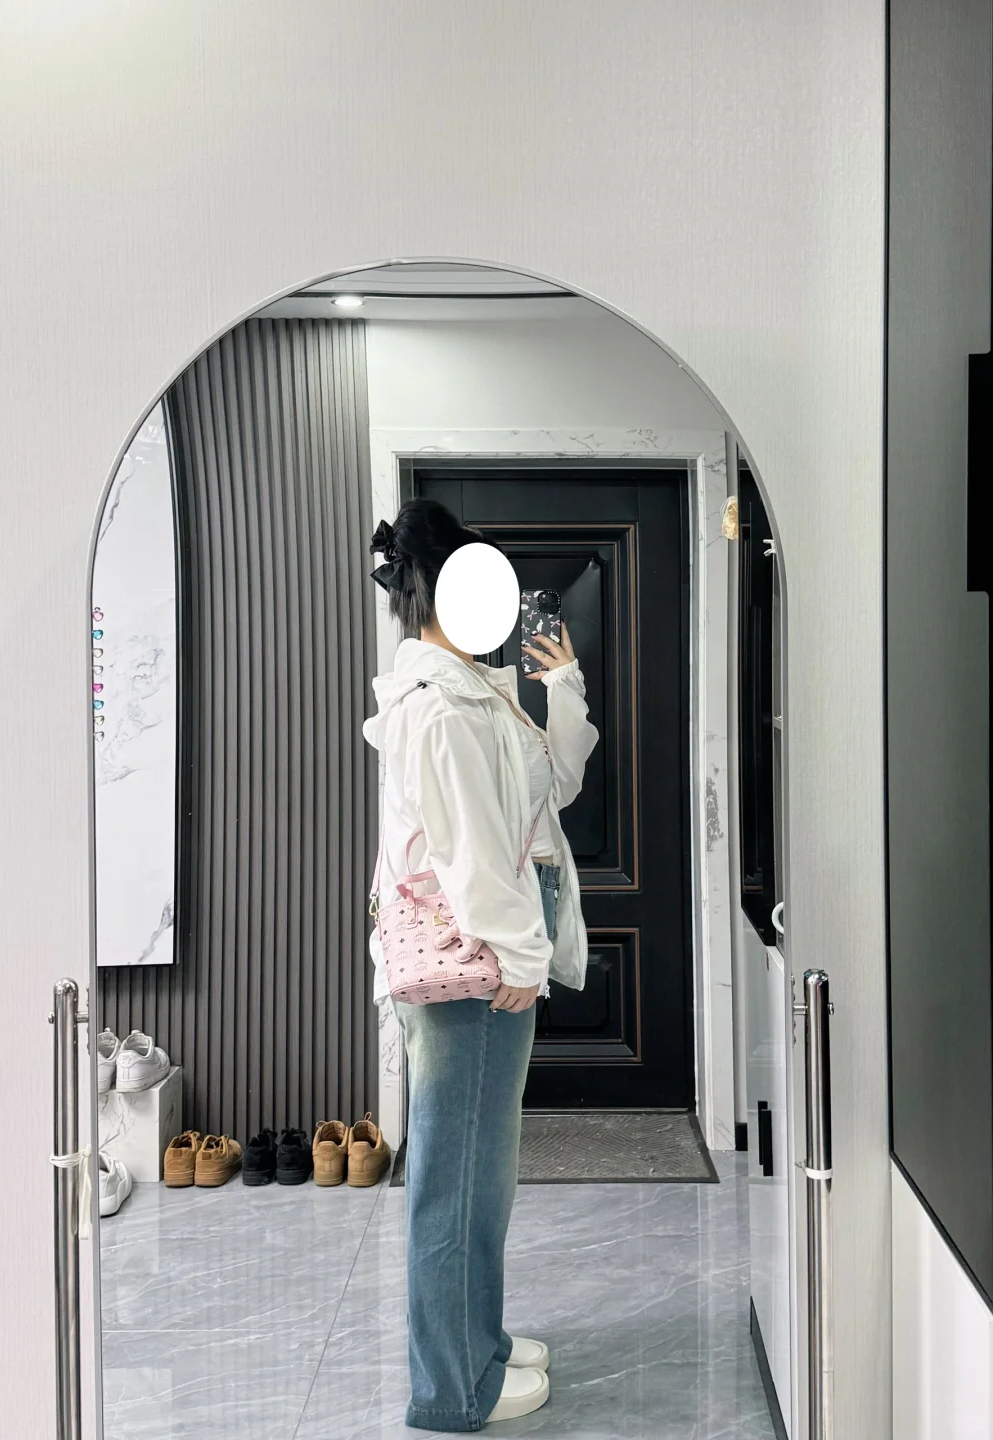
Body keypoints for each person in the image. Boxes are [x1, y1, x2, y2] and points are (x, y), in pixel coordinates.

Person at [362, 498, 599, 1432]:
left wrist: (564, 684)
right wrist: (520, 951)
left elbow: (553, 789)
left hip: (496, 938)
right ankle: (454, 1387)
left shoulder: (475, 692)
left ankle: (479, 1343)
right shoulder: (438, 707)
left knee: (481, 1168)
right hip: (479, 949)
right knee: (457, 1173)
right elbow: (470, 852)